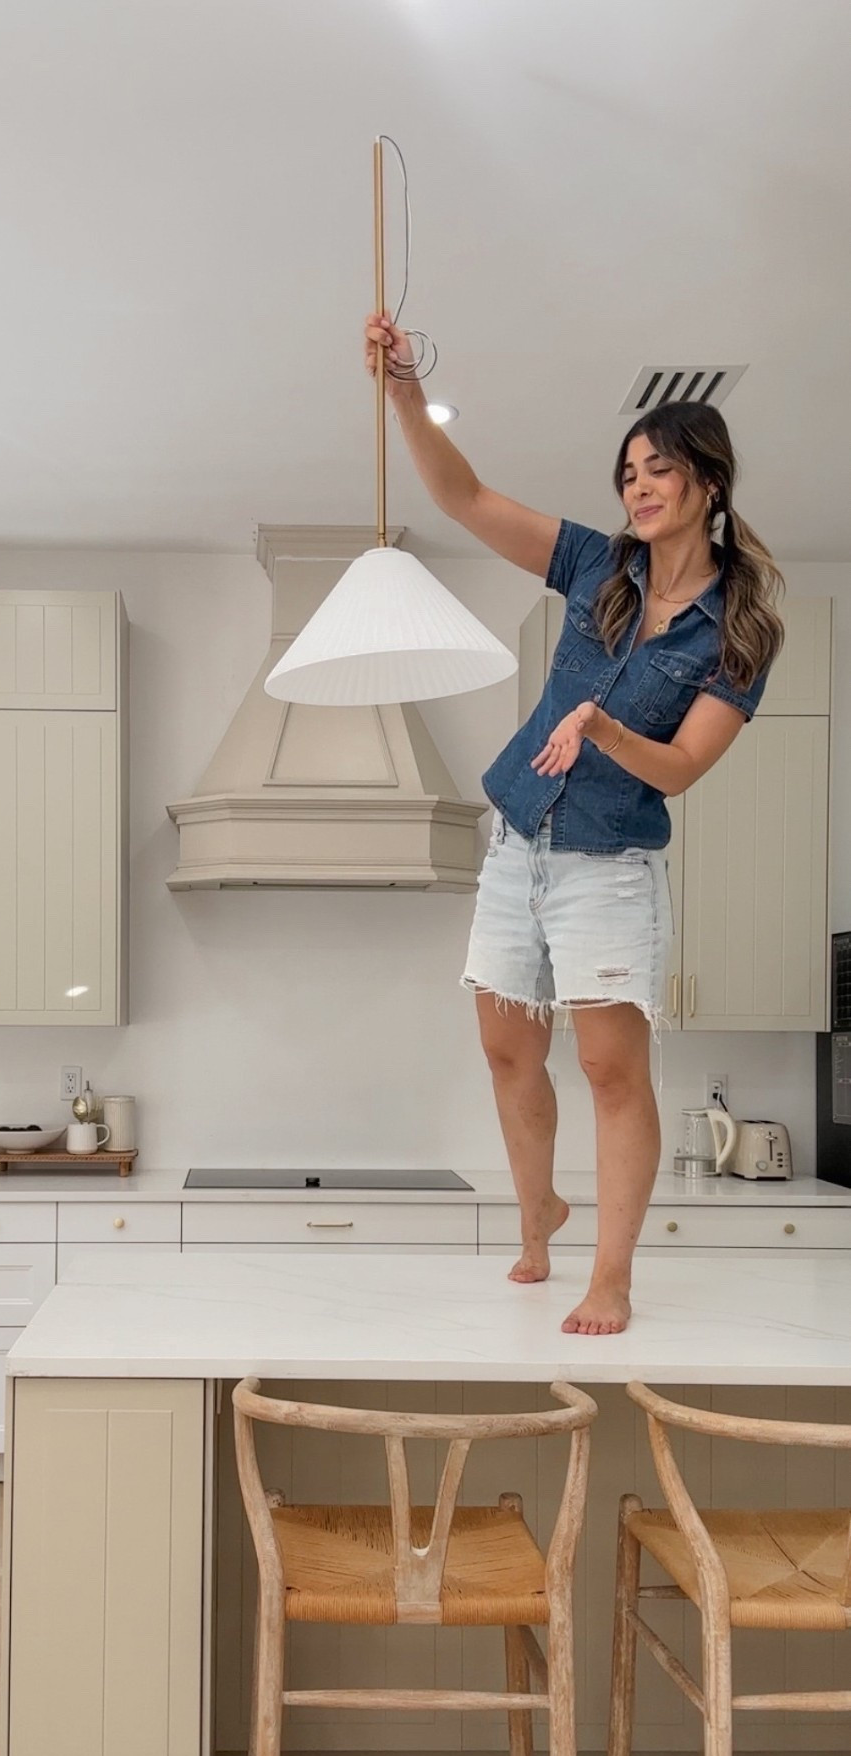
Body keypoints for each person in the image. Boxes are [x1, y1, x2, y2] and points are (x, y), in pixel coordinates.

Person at [365, 316, 784, 1334]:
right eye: (627, 472)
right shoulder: (596, 565)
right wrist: (405, 396)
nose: (636, 488)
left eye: (657, 471)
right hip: (518, 840)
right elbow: (461, 498)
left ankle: (610, 1275)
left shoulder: (739, 626)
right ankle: (538, 1211)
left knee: (607, 1065)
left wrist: (601, 728)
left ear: (707, 483)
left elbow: (681, 765)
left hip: (608, 861)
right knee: (507, 1049)